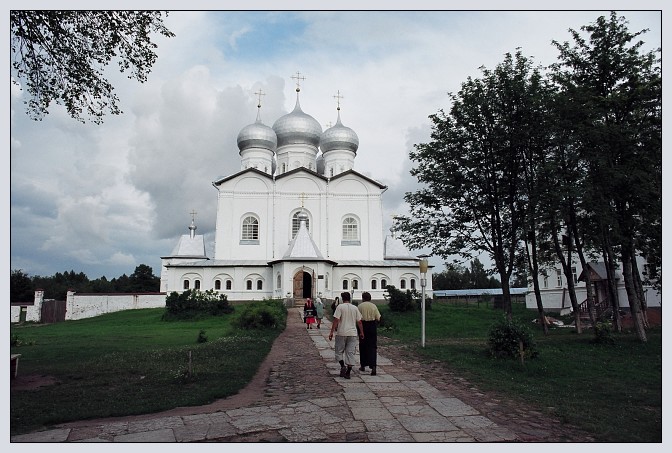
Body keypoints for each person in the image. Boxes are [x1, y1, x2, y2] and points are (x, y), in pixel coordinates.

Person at [328, 292, 364, 379]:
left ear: (342, 298)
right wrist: (362, 332)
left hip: (341, 332)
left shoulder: (340, 307)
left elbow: (336, 319)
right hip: (352, 333)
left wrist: (332, 332)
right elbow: (359, 321)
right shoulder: (355, 308)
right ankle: (348, 371)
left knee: (339, 351)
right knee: (350, 352)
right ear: (350, 298)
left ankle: (342, 366)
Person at [357, 291, 382, 375]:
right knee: (372, 346)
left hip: (362, 326)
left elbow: (357, 319)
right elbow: (378, 318)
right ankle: (373, 366)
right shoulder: (373, 306)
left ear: (363, 298)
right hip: (372, 326)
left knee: (362, 345)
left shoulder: (360, 306)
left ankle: (363, 365)